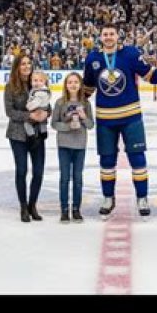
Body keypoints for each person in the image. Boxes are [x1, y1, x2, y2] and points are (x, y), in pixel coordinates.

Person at [83, 23, 157, 218]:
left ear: (117, 36)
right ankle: (108, 198)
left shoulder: (130, 54)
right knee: (107, 161)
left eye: (112, 34)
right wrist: (70, 103)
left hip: (131, 117)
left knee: (137, 158)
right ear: (100, 37)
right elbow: (87, 87)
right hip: (105, 119)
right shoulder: (92, 58)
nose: (108, 37)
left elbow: (150, 74)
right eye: (105, 34)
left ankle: (142, 198)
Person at [4, 54, 48, 222]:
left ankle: (32, 205)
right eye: (23, 64)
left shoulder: (37, 82)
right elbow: (9, 111)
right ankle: (23, 206)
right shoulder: (10, 86)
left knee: (38, 171)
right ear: (17, 66)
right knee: (21, 170)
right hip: (18, 134)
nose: (26, 66)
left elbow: (47, 104)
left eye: (29, 63)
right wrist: (29, 116)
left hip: (37, 134)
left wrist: (46, 113)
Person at [51, 72, 94, 223]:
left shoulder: (86, 103)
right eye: (70, 82)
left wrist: (83, 117)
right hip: (64, 144)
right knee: (64, 178)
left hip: (80, 145)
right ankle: (64, 209)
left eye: (76, 82)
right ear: (66, 85)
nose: (73, 85)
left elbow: (90, 125)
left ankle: (76, 209)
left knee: (78, 178)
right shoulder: (60, 102)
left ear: (80, 85)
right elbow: (54, 123)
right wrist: (67, 126)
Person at [24, 70, 51, 141]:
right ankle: (43, 130)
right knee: (42, 121)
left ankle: (31, 135)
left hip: (37, 109)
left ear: (44, 82)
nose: (37, 83)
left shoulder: (39, 91)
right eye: (35, 80)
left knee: (27, 123)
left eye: (40, 81)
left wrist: (29, 106)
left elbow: (36, 102)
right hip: (43, 109)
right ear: (31, 81)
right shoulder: (41, 90)